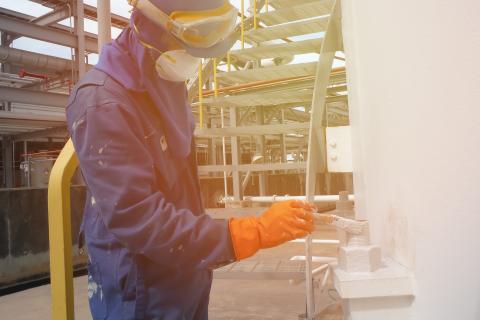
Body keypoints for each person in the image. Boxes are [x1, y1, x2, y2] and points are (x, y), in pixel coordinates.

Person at [66, 0, 316, 318]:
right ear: (153, 23)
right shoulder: (102, 101)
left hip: (186, 272)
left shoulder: (165, 80)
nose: (196, 56)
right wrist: (253, 232)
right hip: (142, 291)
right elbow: (139, 217)